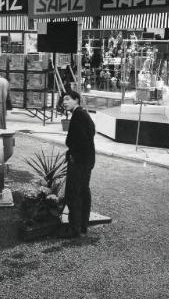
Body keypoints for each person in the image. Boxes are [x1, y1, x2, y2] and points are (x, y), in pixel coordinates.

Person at [62, 90, 95, 238]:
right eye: (63, 100)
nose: (65, 102)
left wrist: (73, 153)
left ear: (76, 100)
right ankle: (82, 226)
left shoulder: (79, 115)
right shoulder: (82, 114)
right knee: (83, 192)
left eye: (68, 99)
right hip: (86, 160)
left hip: (79, 161)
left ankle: (74, 228)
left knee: (73, 193)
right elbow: (91, 132)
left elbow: (81, 138)